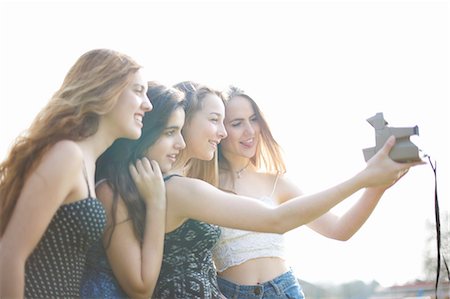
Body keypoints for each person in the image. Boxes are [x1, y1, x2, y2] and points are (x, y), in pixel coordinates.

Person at [144, 82, 422, 298]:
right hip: (228, 291)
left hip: (283, 289)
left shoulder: (276, 182)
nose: (248, 131)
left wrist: (377, 186)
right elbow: (275, 220)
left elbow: (339, 230)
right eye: (235, 123)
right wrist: (365, 177)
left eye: (254, 120)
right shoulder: (196, 186)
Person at [0, 48, 152, 298]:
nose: (148, 104)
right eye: (138, 91)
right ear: (105, 89)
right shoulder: (67, 155)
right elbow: (10, 254)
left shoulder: (88, 162)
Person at [80, 82, 186, 298]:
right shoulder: (109, 190)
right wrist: (157, 202)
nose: (181, 143)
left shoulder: (135, 185)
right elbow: (141, 289)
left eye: (181, 132)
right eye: (170, 132)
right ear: (145, 131)